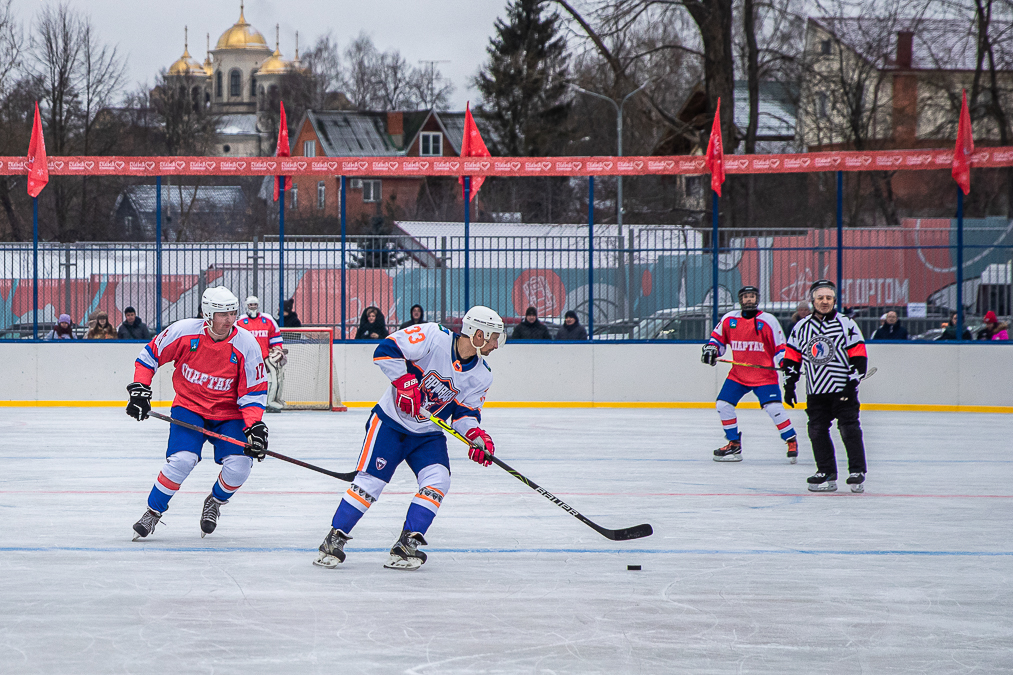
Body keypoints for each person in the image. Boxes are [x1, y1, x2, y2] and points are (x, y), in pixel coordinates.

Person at [314, 306, 505, 570]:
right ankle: (334, 538)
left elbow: (464, 414)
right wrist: (404, 382)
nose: (497, 344)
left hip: (427, 434)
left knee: (439, 480)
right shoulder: (433, 336)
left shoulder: (482, 375)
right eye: (494, 337)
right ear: (478, 333)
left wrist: (475, 437)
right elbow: (385, 350)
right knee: (371, 483)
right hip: (390, 423)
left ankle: (407, 544)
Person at [126, 286, 269, 540]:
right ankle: (153, 512)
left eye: (233, 313)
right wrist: (139, 389)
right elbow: (150, 355)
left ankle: (214, 501)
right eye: (222, 314)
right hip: (189, 407)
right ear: (207, 314)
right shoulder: (183, 332)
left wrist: (254, 426)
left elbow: (253, 391)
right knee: (182, 460)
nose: (229, 320)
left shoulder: (246, 344)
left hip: (229, 413)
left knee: (239, 467)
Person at [782, 279, 868, 493]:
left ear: (834, 300)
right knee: (817, 430)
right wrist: (790, 385)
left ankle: (857, 470)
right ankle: (826, 471)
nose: (824, 301)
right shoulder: (801, 327)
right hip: (816, 390)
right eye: (820, 297)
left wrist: (852, 383)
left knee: (849, 429)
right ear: (813, 300)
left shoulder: (846, 323)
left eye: (828, 298)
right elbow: (792, 358)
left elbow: (859, 355)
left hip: (842, 389)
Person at [701, 286, 798, 463]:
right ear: (740, 299)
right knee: (723, 404)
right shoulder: (729, 318)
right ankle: (733, 443)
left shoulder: (768, 320)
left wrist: (784, 362)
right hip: (738, 375)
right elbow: (718, 341)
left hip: (764, 376)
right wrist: (712, 350)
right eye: (745, 296)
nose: (749, 300)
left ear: (757, 299)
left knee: (774, 408)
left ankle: (791, 440)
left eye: (752, 296)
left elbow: (780, 347)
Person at [238, 296, 286, 412]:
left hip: (265, 359)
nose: (253, 307)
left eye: (255, 304)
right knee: (246, 382)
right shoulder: (240, 321)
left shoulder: (267, 319)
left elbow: (275, 338)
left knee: (272, 381)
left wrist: (277, 351)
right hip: (247, 359)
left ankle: (270, 403)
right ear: (247, 306)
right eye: (251, 305)